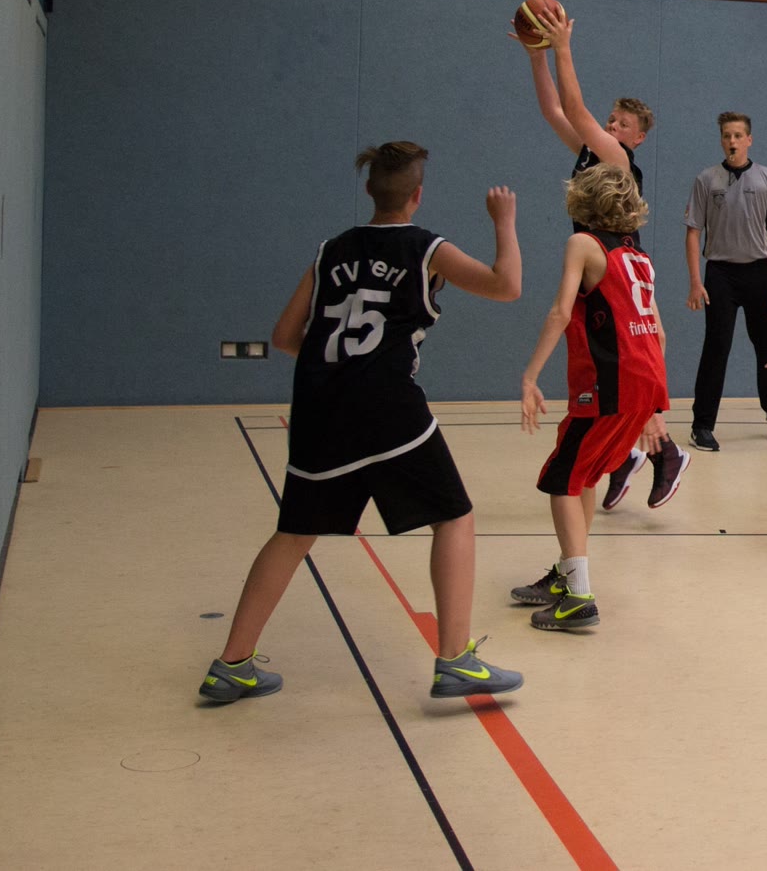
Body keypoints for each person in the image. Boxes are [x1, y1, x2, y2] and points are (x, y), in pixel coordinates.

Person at [198, 142, 525, 703]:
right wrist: (504, 222)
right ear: (417, 195)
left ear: (370, 191)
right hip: (387, 405)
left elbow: (284, 337)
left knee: (294, 531)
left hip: (319, 405)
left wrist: (340, 365)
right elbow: (507, 286)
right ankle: (455, 659)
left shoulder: (331, 251)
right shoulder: (426, 248)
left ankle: (231, 664)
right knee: (454, 516)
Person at [517, 7, 685, 511]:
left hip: (615, 264)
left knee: (626, 359)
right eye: (610, 119)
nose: (611, 125)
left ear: (637, 139)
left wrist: (562, 46)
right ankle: (631, 455)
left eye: (621, 123)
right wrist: (536, 58)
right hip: (603, 265)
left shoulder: (618, 159)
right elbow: (555, 111)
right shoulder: (592, 154)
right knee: (612, 368)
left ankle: (661, 451)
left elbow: (573, 105)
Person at [514, 161, 670, 630]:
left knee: (562, 478)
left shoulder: (583, 244)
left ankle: (579, 597)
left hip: (610, 383)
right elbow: (658, 332)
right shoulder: (639, 257)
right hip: (645, 379)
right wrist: (652, 406)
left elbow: (560, 313)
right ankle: (567, 574)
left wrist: (530, 376)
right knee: (583, 478)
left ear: (581, 199)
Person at [684, 111, 767, 450]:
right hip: (720, 274)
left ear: (749, 140)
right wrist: (695, 281)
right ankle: (702, 425)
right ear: (721, 140)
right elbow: (693, 233)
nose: (732, 141)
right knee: (716, 347)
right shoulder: (707, 179)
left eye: (737, 135)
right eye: (726, 135)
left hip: (760, 272)